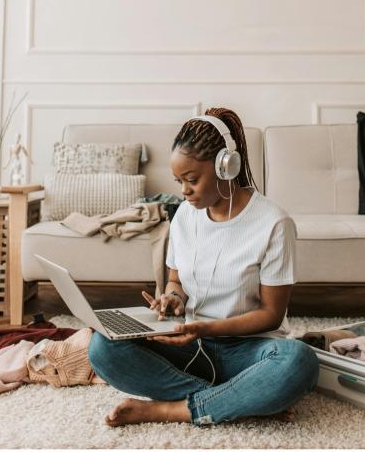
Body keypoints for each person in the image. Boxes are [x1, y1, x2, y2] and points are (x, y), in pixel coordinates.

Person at [88, 107, 319, 426]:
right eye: (178, 181)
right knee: (102, 346)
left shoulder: (273, 223)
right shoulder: (184, 215)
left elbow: (271, 314)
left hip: (249, 352)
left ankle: (170, 410)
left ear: (226, 167)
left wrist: (205, 328)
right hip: (190, 346)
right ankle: (242, 401)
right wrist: (173, 299)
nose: (183, 191)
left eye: (192, 180)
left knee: (298, 362)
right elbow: (175, 282)